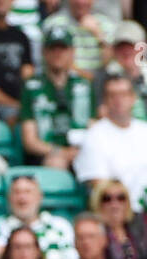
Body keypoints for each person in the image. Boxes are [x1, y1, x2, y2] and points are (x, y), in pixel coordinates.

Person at [75, 76, 147, 210]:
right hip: (122, 212)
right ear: (105, 101)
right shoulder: (94, 136)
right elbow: (100, 187)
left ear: (133, 98)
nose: (118, 100)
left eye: (123, 94)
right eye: (112, 95)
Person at [18, 23, 93, 169]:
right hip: (48, 153)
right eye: (53, 49)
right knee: (56, 163)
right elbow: (30, 141)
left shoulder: (84, 85)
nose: (58, 54)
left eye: (63, 48)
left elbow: (93, 126)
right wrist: (61, 152)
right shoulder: (31, 86)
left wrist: (80, 151)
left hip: (81, 150)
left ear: (72, 52)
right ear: (44, 52)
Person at [0, 175, 78, 259]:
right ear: (9, 198)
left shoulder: (60, 225)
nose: (22, 198)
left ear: (40, 197)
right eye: (17, 192)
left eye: (27, 192)